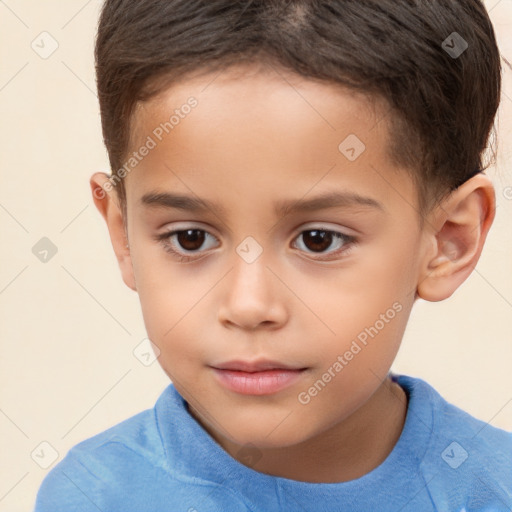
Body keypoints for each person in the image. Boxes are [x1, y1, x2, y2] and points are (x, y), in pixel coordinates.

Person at [33, 0, 512, 510]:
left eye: (318, 240)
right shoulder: (91, 496)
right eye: (190, 238)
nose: (248, 305)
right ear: (124, 234)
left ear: (447, 241)